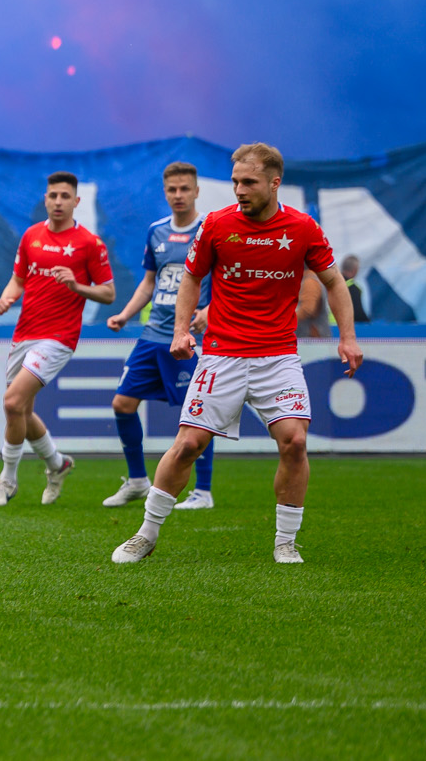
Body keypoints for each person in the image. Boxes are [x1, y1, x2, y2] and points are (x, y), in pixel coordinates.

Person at [114, 143, 363, 565]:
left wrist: (348, 337)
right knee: (188, 444)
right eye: (234, 182)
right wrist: (180, 330)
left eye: (248, 182)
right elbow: (190, 279)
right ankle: (146, 533)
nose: (239, 190)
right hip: (221, 356)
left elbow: (335, 283)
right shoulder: (215, 225)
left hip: (277, 358)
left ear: (274, 182)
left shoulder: (303, 228)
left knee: (295, 442)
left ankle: (285, 541)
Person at [0, 172, 115, 507]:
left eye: (65, 196)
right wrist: (6, 297)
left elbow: (109, 293)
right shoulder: (31, 236)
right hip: (25, 332)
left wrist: (77, 286)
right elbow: (18, 279)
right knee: (21, 411)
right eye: (53, 195)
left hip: (59, 337)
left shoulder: (89, 243)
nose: (58, 202)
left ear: (76, 201)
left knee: (12, 402)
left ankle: (7, 480)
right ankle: (58, 464)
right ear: (46, 198)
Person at [102, 161, 216, 510]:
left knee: (193, 415)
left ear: (196, 191)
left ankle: (203, 491)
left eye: (185, 189)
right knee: (122, 404)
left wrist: (208, 312)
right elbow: (150, 282)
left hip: (188, 339)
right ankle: (137, 480)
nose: (178, 195)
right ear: (165, 192)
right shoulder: (156, 232)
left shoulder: (211, 230)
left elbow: (226, 281)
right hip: (153, 335)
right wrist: (125, 314)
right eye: (172, 189)